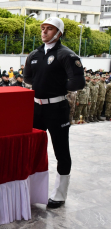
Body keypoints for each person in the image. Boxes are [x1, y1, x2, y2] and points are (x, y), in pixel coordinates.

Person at [24, 17, 85, 209]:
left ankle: (59, 195)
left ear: (59, 33)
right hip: (36, 108)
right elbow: (27, 78)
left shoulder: (66, 55)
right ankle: (32, 190)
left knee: (61, 151)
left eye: (49, 29)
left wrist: (58, 87)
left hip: (57, 108)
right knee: (32, 150)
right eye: (42, 28)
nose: (44, 32)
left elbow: (78, 82)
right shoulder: (34, 54)